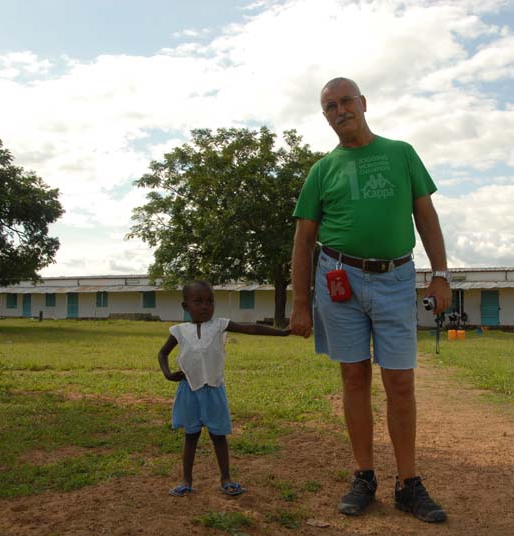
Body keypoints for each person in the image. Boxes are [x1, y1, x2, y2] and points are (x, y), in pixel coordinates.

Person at [290, 77, 451, 523]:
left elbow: (426, 216)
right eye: (329, 106)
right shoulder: (322, 170)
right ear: (325, 116)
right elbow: (303, 241)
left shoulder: (401, 153)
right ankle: (364, 476)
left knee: (400, 381)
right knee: (354, 377)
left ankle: (408, 483)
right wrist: (301, 305)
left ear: (363, 103)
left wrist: (439, 276)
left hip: (395, 278)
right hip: (337, 278)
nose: (339, 110)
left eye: (345, 101)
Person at [157, 280, 290, 497]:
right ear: (185, 306)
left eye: (209, 301)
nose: (205, 306)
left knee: (218, 436)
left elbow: (251, 328)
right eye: (198, 301)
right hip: (189, 389)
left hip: (214, 390)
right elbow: (162, 353)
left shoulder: (220, 325)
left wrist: (282, 333)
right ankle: (186, 481)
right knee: (191, 436)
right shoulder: (179, 331)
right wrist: (168, 374)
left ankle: (226, 478)